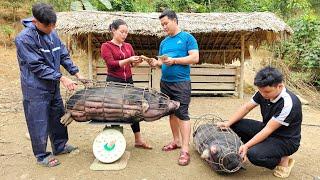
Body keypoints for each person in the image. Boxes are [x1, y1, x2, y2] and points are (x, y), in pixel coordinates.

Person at [15, 3, 84, 167]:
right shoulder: (24, 39)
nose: (51, 29)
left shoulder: (53, 33)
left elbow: (63, 55)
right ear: (35, 22)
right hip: (35, 88)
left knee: (57, 116)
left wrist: (77, 73)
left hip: (52, 86)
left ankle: (60, 145)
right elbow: (37, 66)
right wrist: (62, 78)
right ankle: (41, 155)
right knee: (38, 120)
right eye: (48, 26)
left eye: (53, 25)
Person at [217, 66, 302, 178]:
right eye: (260, 91)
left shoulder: (288, 103)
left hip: (285, 140)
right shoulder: (263, 92)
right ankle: (244, 150)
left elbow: (268, 130)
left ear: (280, 86)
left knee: (254, 155)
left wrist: (247, 146)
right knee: (235, 124)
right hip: (267, 129)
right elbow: (246, 108)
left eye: (266, 92)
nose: (263, 95)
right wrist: (228, 123)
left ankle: (283, 159)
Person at [147, 10, 199, 166]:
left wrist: (174, 61)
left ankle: (185, 149)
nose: (164, 27)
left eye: (166, 23)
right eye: (162, 25)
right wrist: (156, 63)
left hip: (181, 83)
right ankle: (176, 141)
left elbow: (195, 58)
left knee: (182, 114)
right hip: (165, 82)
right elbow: (162, 62)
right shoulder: (164, 42)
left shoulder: (187, 38)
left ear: (175, 21)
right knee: (171, 112)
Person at [100, 19, 152, 150]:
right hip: (114, 82)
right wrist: (128, 59)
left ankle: (138, 140)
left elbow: (132, 64)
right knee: (115, 110)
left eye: (126, 33)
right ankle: (112, 140)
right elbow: (111, 64)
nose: (124, 35)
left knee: (134, 109)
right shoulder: (106, 46)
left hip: (128, 80)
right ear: (113, 30)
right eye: (122, 32)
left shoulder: (128, 46)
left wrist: (137, 61)